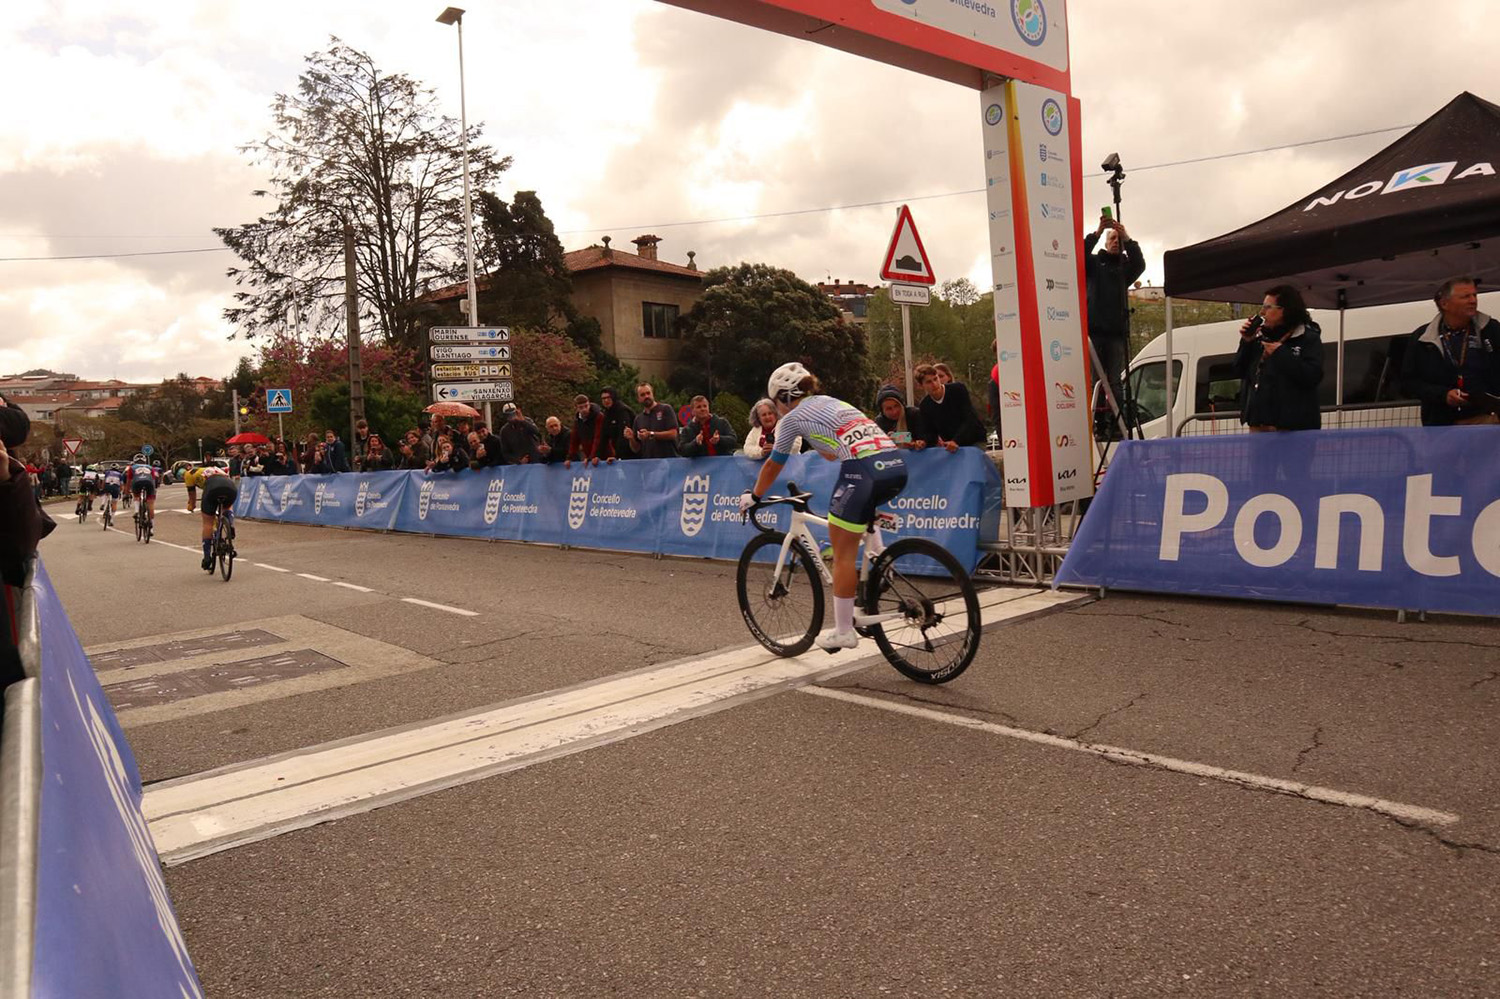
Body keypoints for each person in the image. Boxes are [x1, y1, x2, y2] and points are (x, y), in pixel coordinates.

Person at [741, 363, 906, 652]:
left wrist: (754, 496)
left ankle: (844, 631)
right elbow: (831, 453)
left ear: (783, 397)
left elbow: (773, 463)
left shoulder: (792, 418)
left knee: (841, 551)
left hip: (863, 469)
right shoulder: (832, 402)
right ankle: (881, 564)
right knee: (862, 520)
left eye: (777, 403)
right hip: (894, 465)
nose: (777, 411)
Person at [1400, 276, 1500, 426]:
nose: (1473, 300)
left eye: (1474, 295)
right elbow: (1408, 382)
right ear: (1445, 303)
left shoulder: (1490, 329)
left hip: (1488, 419)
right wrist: (1443, 395)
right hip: (1443, 425)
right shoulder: (1423, 337)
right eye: (1466, 296)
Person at [1235, 285, 1323, 432]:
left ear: (1285, 310)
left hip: (1294, 428)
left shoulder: (1308, 338)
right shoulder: (1259, 338)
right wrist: (1246, 342)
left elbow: (1312, 376)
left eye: (1268, 307)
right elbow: (1238, 370)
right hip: (1259, 424)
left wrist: (1281, 354)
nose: (1262, 313)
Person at [1083, 214, 1146, 417]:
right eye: (1113, 239)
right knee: (1096, 381)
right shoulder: (1094, 263)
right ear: (1106, 242)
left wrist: (1126, 237)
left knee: (1115, 382)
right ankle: (1098, 420)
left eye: (1119, 241)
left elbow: (1140, 264)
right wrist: (1098, 232)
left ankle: (1116, 420)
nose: (1116, 243)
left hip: (1116, 332)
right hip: (1095, 331)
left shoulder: (1125, 268)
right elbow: (1079, 254)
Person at [913, 364, 984, 450]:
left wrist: (956, 441)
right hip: (951, 446)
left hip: (974, 440)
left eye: (936, 379)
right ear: (921, 385)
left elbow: (970, 418)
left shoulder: (958, 389)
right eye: (929, 382)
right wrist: (923, 442)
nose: (934, 384)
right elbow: (930, 432)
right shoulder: (925, 405)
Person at [184, 463, 238, 571]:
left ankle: (207, 557)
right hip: (230, 487)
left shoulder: (189, 474)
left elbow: (192, 496)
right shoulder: (216, 469)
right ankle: (230, 523)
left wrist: (191, 506)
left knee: (208, 523)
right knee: (227, 507)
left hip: (212, 488)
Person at [627, 382, 680, 459]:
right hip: (650, 464)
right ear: (638, 399)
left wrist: (651, 434)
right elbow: (636, 449)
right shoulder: (638, 419)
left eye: (648, 393)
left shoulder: (666, 409)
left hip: (669, 461)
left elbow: (673, 434)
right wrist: (631, 438)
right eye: (642, 395)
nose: (646, 396)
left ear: (653, 394)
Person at [873, 385, 928, 450]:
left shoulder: (914, 414)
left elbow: (928, 437)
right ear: (882, 411)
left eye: (896, 406)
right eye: (889, 409)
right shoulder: (879, 423)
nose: (894, 411)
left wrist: (918, 443)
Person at [566, 395, 613, 467]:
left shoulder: (599, 417)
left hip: (604, 455)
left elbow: (598, 438)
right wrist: (569, 458)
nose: (584, 409)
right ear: (576, 408)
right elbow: (574, 440)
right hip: (590, 456)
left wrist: (592, 456)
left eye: (586, 406)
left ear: (589, 404)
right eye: (581, 407)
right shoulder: (578, 421)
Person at [598, 387, 636, 460]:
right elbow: (603, 437)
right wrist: (597, 456)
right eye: (603, 398)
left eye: (608, 397)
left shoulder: (622, 411)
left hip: (632, 454)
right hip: (619, 454)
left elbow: (623, 436)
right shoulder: (606, 414)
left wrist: (618, 456)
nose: (606, 400)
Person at [126, 453, 158, 526]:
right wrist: (154, 491)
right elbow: (153, 479)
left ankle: (137, 511)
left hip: (137, 482)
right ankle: (151, 527)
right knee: (151, 503)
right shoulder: (150, 467)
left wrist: (127, 492)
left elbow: (129, 481)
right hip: (149, 483)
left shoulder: (132, 467)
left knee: (136, 495)